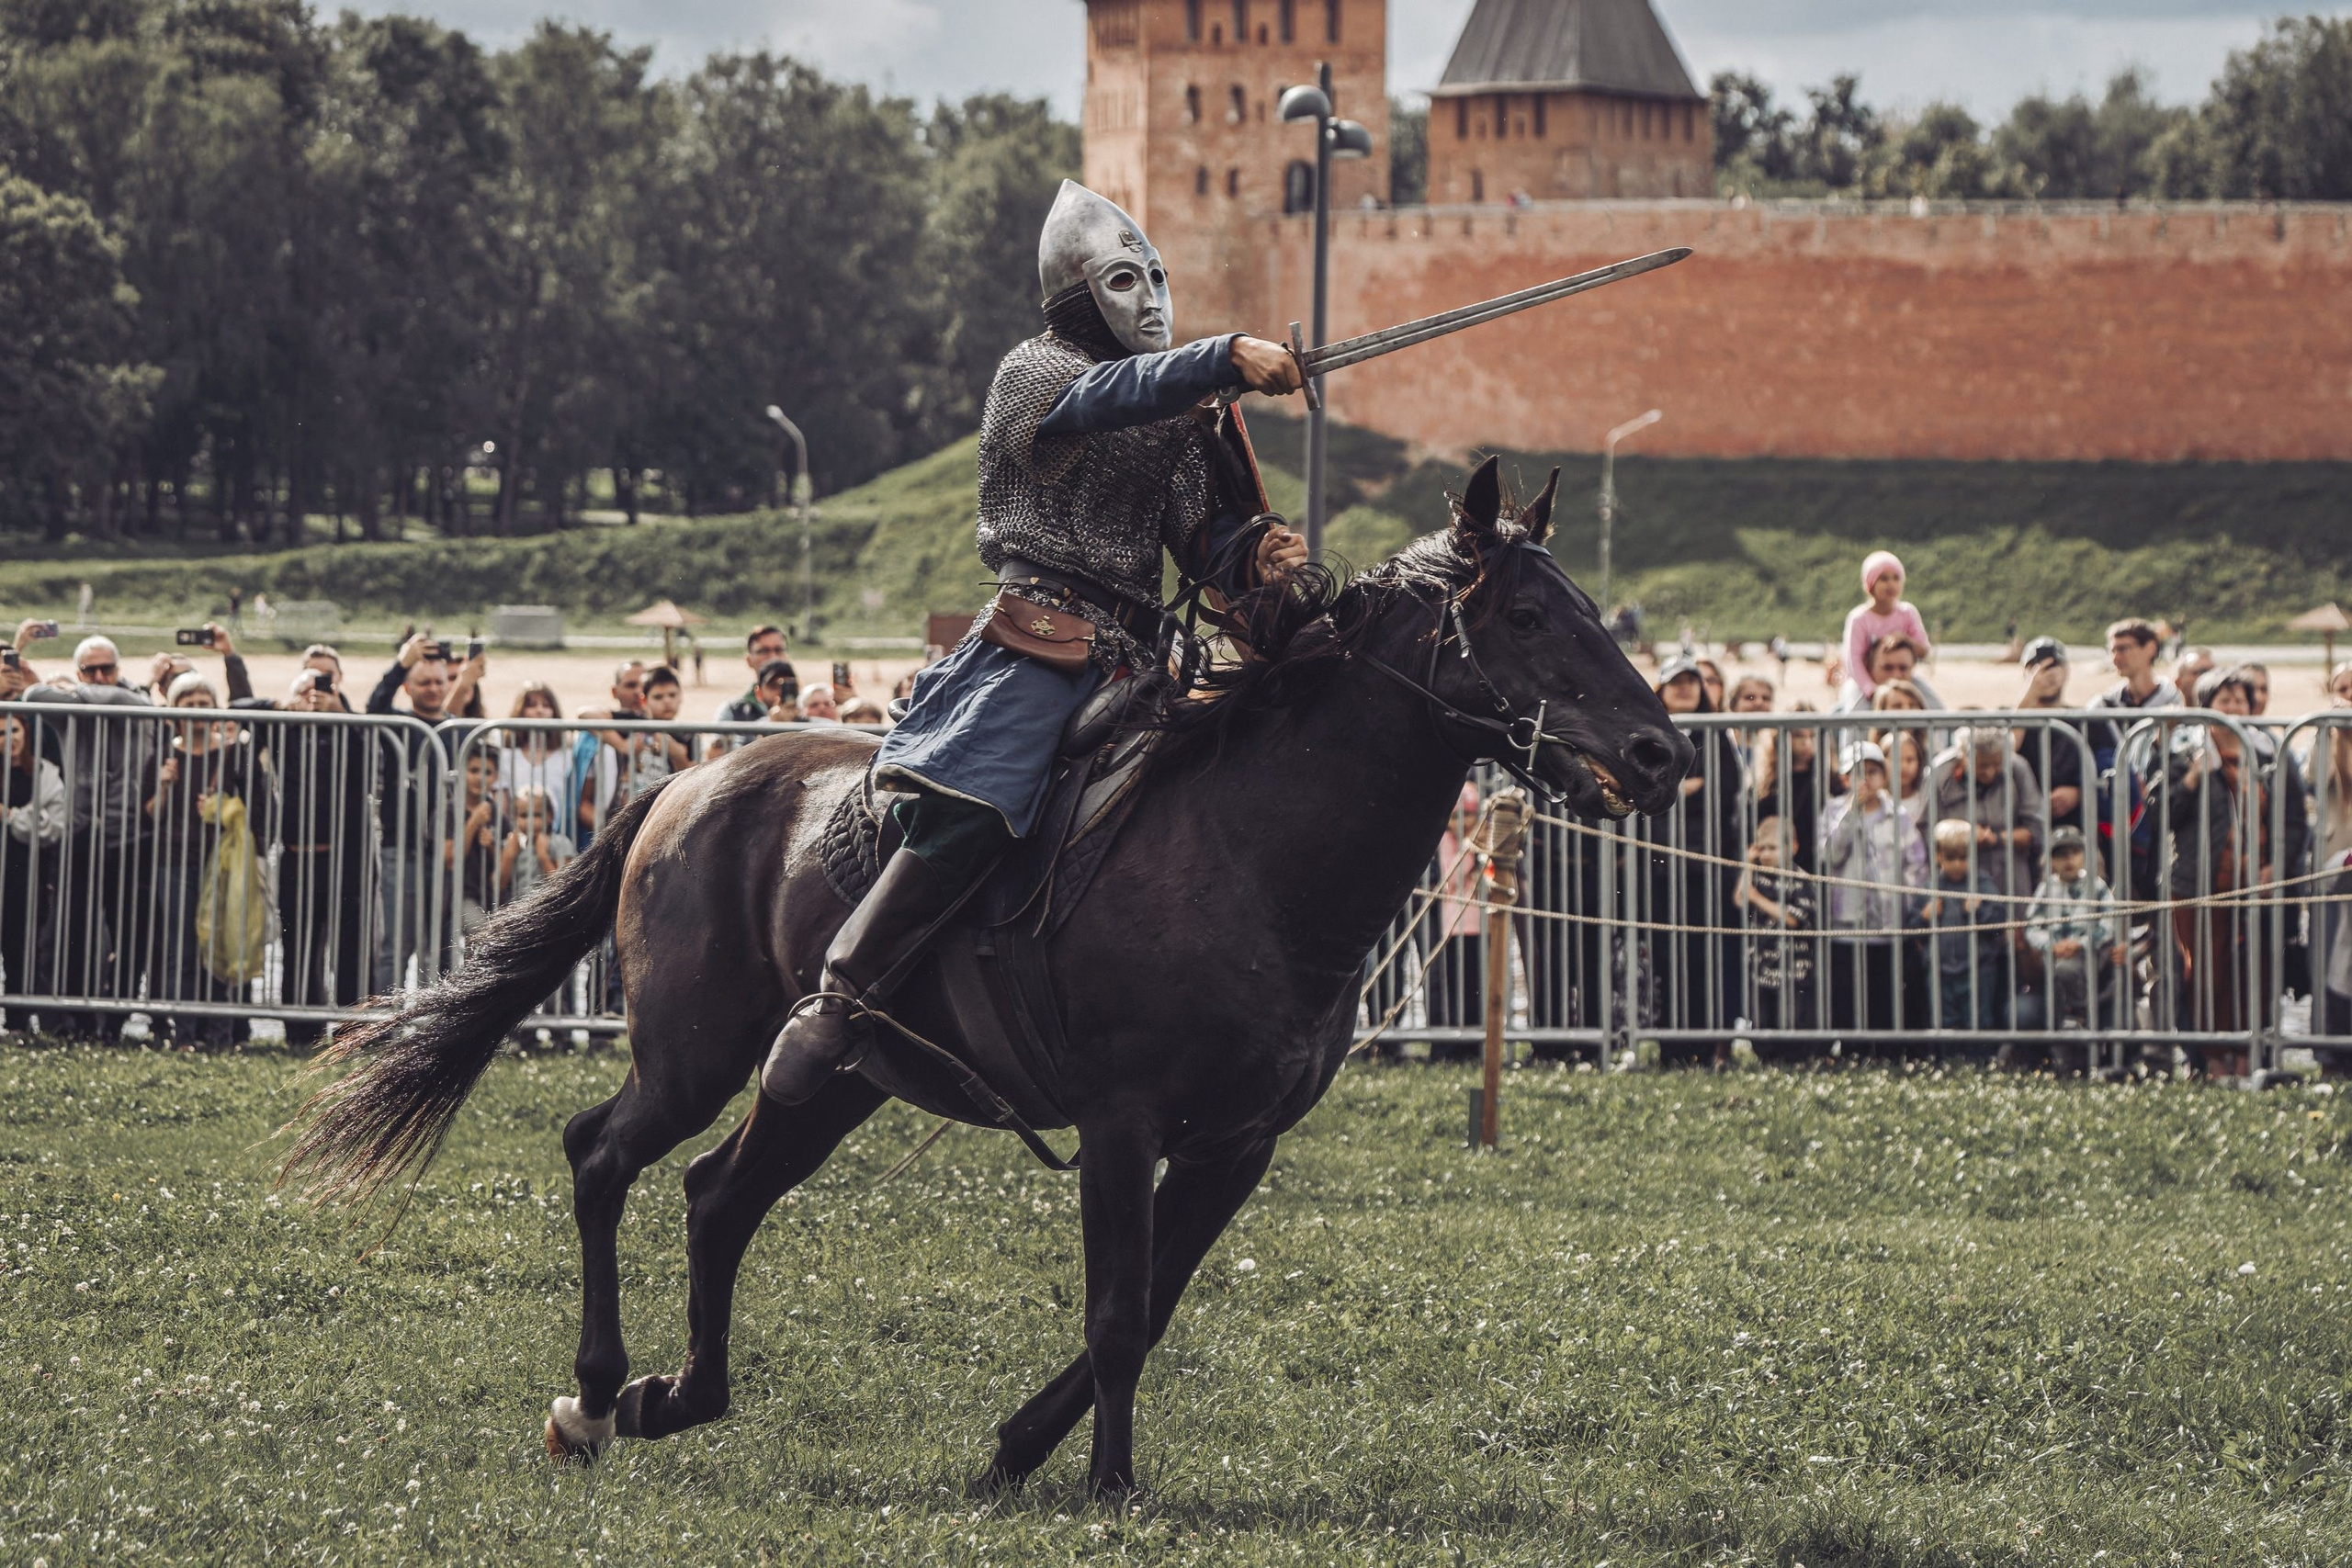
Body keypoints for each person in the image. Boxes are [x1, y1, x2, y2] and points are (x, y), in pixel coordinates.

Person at [760, 179, 1308, 1104]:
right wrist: (1220, 357)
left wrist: (1253, 551)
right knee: (984, 793)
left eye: (1156, 278)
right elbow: (1103, 400)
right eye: (1125, 280)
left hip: (1140, 655)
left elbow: (1195, 544)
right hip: (1038, 637)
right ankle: (843, 992)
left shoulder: (1172, 413)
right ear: (1077, 294)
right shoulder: (1037, 373)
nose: (1150, 299)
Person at [17, 633, 159, 1039]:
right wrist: (77, 694)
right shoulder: (69, 710)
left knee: (128, 932)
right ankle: (74, 1019)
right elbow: (31, 696)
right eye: (89, 670)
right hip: (79, 834)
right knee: (71, 930)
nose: (98, 677)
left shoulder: (131, 701)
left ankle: (114, 1021)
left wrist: (78, 691)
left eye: (106, 669)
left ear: (119, 668)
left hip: (128, 836)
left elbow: (136, 704)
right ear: (79, 669)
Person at [148, 671, 272, 1048]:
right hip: (175, 860)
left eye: (205, 704)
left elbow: (260, 808)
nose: (198, 711)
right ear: (173, 712)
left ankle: (221, 1035)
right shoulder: (165, 755)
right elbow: (151, 813)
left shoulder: (235, 754)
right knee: (182, 949)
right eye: (189, 705)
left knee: (222, 945)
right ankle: (185, 1035)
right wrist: (163, 784)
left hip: (224, 866)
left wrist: (225, 808)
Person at [264, 669, 374, 1048]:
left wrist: (339, 712)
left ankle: (351, 1033)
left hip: (340, 861)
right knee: (297, 947)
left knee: (347, 948)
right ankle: (301, 1034)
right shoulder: (284, 730)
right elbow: (241, 706)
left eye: (321, 690)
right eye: (305, 691)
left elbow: (368, 753)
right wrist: (284, 705)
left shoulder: (346, 733)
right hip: (295, 858)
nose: (314, 697)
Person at [366, 633, 471, 990]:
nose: (432, 688)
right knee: (395, 944)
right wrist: (401, 665)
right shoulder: (398, 723)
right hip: (402, 849)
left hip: (447, 856)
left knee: (441, 948)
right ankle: (382, 1025)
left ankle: (434, 1028)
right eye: (423, 682)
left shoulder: (460, 730)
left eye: (439, 682)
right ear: (408, 689)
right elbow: (375, 705)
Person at [1819, 741, 1928, 1039]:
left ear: (1884, 777)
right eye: (1858, 773)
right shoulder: (1833, 811)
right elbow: (1829, 854)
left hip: (1889, 924)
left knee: (1885, 992)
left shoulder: (1898, 815)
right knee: (1849, 992)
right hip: (1847, 924)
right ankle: (1853, 1049)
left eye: (1873, 772)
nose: (1866, 780)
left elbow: (1916, 864)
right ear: (1844, 779)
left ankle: (1887, 1050)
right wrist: (1851, 813)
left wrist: (1910, 907)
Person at [2024, 825, 2128, 1065]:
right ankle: (2066, 1058)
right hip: (2056, 956)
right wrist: (2051, 945)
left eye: (2074, 852)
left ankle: (2079, 1014)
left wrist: (2080, 943)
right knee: (2057, 983)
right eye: (2060, 854)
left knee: (2067, 971)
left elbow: (2108, 924)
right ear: (2050, 861)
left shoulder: (2097, 886)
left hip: (2089, 956)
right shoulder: (2045, 888)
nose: (2068, 859)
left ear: (2084, 855)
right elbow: (2032, 927)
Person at [0, 712, 67, 1017]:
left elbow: (53, 825)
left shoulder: (44, 773)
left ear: (25, 732)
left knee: (20, 946)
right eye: (1, 734)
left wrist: (11, 817)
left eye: (14, 730)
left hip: (26, 873)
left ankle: (18, 1020)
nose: (9, 739)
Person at [1734, 814, 1816, 1049]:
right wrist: (1749, 864)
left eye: (1772, 848)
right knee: (1762, 1019)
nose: (1766, 854)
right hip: (1762, 965)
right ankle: (1765, 1054)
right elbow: (1740, 898)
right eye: (1762, 848)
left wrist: (1757, 899)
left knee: (1791, 1019)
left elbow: (1793, 919)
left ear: (1793, 848)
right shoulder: (1757, 875)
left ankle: (1794, 1057)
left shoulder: (1800, 879)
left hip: (1793, 967)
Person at [1921, 818, 2004, 1044]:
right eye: (1951, 858)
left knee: (1978, 1021)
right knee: (1943, 1022)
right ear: (1938, 856)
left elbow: (1998, 922)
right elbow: (1911, 928)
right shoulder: (1930, 886)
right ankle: (1948, 1065)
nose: (1958, 864)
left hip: (1978, 969)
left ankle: (1980, 1065)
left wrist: (1977, 913)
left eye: (1963, 858)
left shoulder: (1983, 883)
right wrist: (1924, 917)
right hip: (1940, 970)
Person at [2012, 637, 2087, 836]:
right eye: (2036, 667)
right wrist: (2029, 695)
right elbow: (2005, 751)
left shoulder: (2084, 718)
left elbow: (2108, 768)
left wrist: (2079, 793)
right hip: (2023, 825)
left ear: (2066, 671)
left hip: (2075, 827)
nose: (2047, 674)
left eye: (2054, 666)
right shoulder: (2011, 717)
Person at [1842, 551, 1932, 703]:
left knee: (1934, 707)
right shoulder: (1859, 618)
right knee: (1856, 718)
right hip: (1865, 684)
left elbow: (1923, 651)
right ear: (1870, 584)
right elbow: (1853, 661)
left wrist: (1905, 639)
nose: (1891, 584)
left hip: (1903, 682)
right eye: (1883, 579)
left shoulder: (1908, 613)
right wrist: (1872, 691)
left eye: (1896, 578)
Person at [499, 683, 574, 826]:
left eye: (546, 706)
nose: (540, 710)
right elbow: (503, 805)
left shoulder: (567, 756)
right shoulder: (507, 756)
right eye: (532, 705)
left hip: (558, 833)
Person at [708, 656, 798, 759]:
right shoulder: (739, 715)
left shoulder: (811, 714)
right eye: (773, 686)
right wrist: (770, 727)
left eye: (788, 686)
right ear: (759, 692)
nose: (780, 692)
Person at [499, 784, 577, 902]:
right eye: (524, 815)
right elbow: (497, 886)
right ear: (514, 817)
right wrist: (508, 856)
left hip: (549, 909)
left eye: (537, 815)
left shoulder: (560, 843)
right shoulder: (510, 845)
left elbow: (565, 887)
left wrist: (543, 856)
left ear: (550, 816)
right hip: (517, 912)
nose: (530, 821)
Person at [712, 626, 797, 733]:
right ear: (749, 660)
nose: (773, 657)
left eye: (778, 650)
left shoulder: (810, 705)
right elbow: (717, 747)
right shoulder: (734, 711)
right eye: (764, 651)